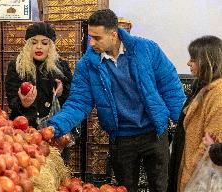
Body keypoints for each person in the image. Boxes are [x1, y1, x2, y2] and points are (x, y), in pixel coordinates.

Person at [48, 9, 186, 192]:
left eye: (97, 38)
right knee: (124, 188)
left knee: (161, 186)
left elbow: (170, 87)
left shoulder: (147, 49)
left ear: (113, 35)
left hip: (154, 133)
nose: (92, 43)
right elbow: (78, 102)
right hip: (121, 138)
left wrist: (185, 125)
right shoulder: (87, 65)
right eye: (90, 37)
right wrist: (55, 126)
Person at [168, 35, 222, 192]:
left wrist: (190, 173)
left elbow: (210, 142)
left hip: (202, 177)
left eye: (193, 59)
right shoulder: (204, 89)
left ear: (207, 61)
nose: (188, 63)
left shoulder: (218, 93)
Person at [5, 22, 72, 129]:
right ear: (27, 45)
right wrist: (23, 104)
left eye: (45, 43)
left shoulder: (61, 67)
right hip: (24, 127)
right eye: (34, 43)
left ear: (51, 46)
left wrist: (61, 92)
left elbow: (71, 97)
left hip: (53, 127)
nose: (39, 47)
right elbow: (11, 97)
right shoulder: (16, 66)